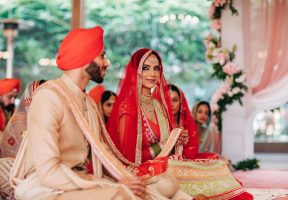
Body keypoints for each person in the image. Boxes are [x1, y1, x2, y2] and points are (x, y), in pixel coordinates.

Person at [10, 27, 190, 200]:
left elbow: (102, 152)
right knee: (123, 195)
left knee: (169, 185)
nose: (107, 62)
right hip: (48, 188)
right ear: (85, 58)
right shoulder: (48, 97)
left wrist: (129, 178)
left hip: (82, 182)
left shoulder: (87, 102)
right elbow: (49, 173)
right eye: (102, 55)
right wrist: (110, 185)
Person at [106, 48, 253, 200]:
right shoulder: (128, 107)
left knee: (216, 165)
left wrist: (177, 141)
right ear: (135, 71)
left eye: (156, 68)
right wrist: (166, 143)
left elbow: (167, 146)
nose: (152, 74)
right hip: (140, 171)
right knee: (182, 178)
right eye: (146, 68)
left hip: (164, 164)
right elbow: (128, 159)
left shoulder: (157, 104)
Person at [168, 84, 219, 160]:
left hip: (185, 159)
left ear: (181, 102)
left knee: (216, 159)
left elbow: (192, 151)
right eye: (200, 112)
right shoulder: (159, 122)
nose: (171, 104)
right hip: (166, 160)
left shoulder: (189, 126)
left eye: (175, 100)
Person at [0, 80, 46, 158]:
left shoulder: (13, 111)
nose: (13, 101)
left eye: (15, 97)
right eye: (10, 97)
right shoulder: (20, 120)